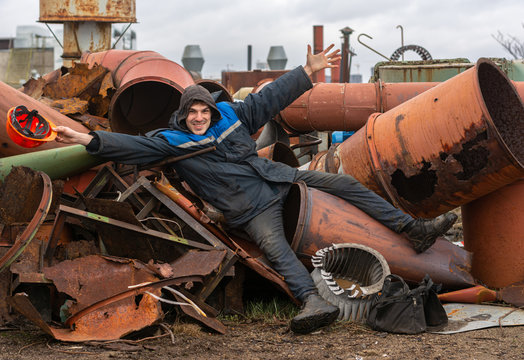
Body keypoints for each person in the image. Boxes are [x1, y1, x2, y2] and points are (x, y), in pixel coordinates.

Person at [55, 44, 457, 334]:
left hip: (278, 178)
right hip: (249, 209)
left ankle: (413, 230)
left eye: (203, 111)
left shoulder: (231, 115)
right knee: (277, 250)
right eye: (191, 112)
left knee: (344, 184)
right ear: (183, 115)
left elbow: (269, 98)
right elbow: (130, 145)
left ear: (211, 110)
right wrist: (78, 136)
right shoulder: (171, 143)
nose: (198, 117)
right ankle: (313, 301)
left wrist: (306, 71)